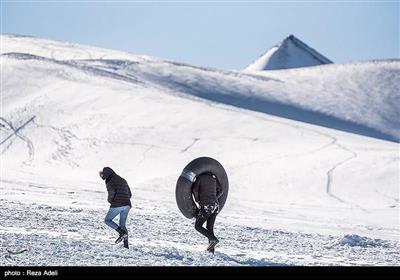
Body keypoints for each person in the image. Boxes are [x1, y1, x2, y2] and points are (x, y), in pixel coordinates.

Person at [99, 167, 132, 249]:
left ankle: (121, 233)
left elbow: (112, 192)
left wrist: (110, 201)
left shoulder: (110, 180)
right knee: (122, 224)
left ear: (106, 173)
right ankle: (125, 245)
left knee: (107, 220)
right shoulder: (122, 179)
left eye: (103, 174)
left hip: (117, 204)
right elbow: (130, 194)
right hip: (127, 205)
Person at [192, 172, 224, 253]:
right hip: (215, 206)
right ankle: (211, 250)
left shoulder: (200, 178)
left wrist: (197, 200)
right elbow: (221, 190)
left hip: (207, 206)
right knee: (210, 228)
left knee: (198, 226)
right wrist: (214, 198)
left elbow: (195, 190)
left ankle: (213, 239)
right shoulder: (213, 178)